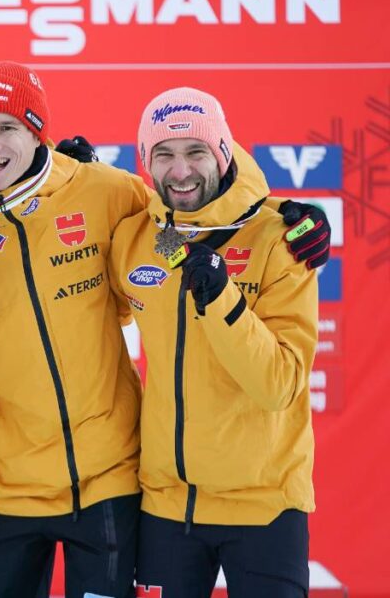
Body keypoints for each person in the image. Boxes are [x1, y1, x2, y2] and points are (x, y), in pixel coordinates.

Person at [0, 62, 332, 598]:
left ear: (38, 131)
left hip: (110, 478)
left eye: (9, 126)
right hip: (4, 484)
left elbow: (208, 214)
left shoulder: (108, 194)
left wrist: (293, 215)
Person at [109, 87, 317, 597]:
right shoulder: (141, 238)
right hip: (167, 508)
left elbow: (278, 384)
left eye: (195, 152)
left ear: (223, 153)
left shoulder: (279, 238)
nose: (181, 171)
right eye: (164, 155)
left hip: (264, 507)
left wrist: (222, 299)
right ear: (146, 164)